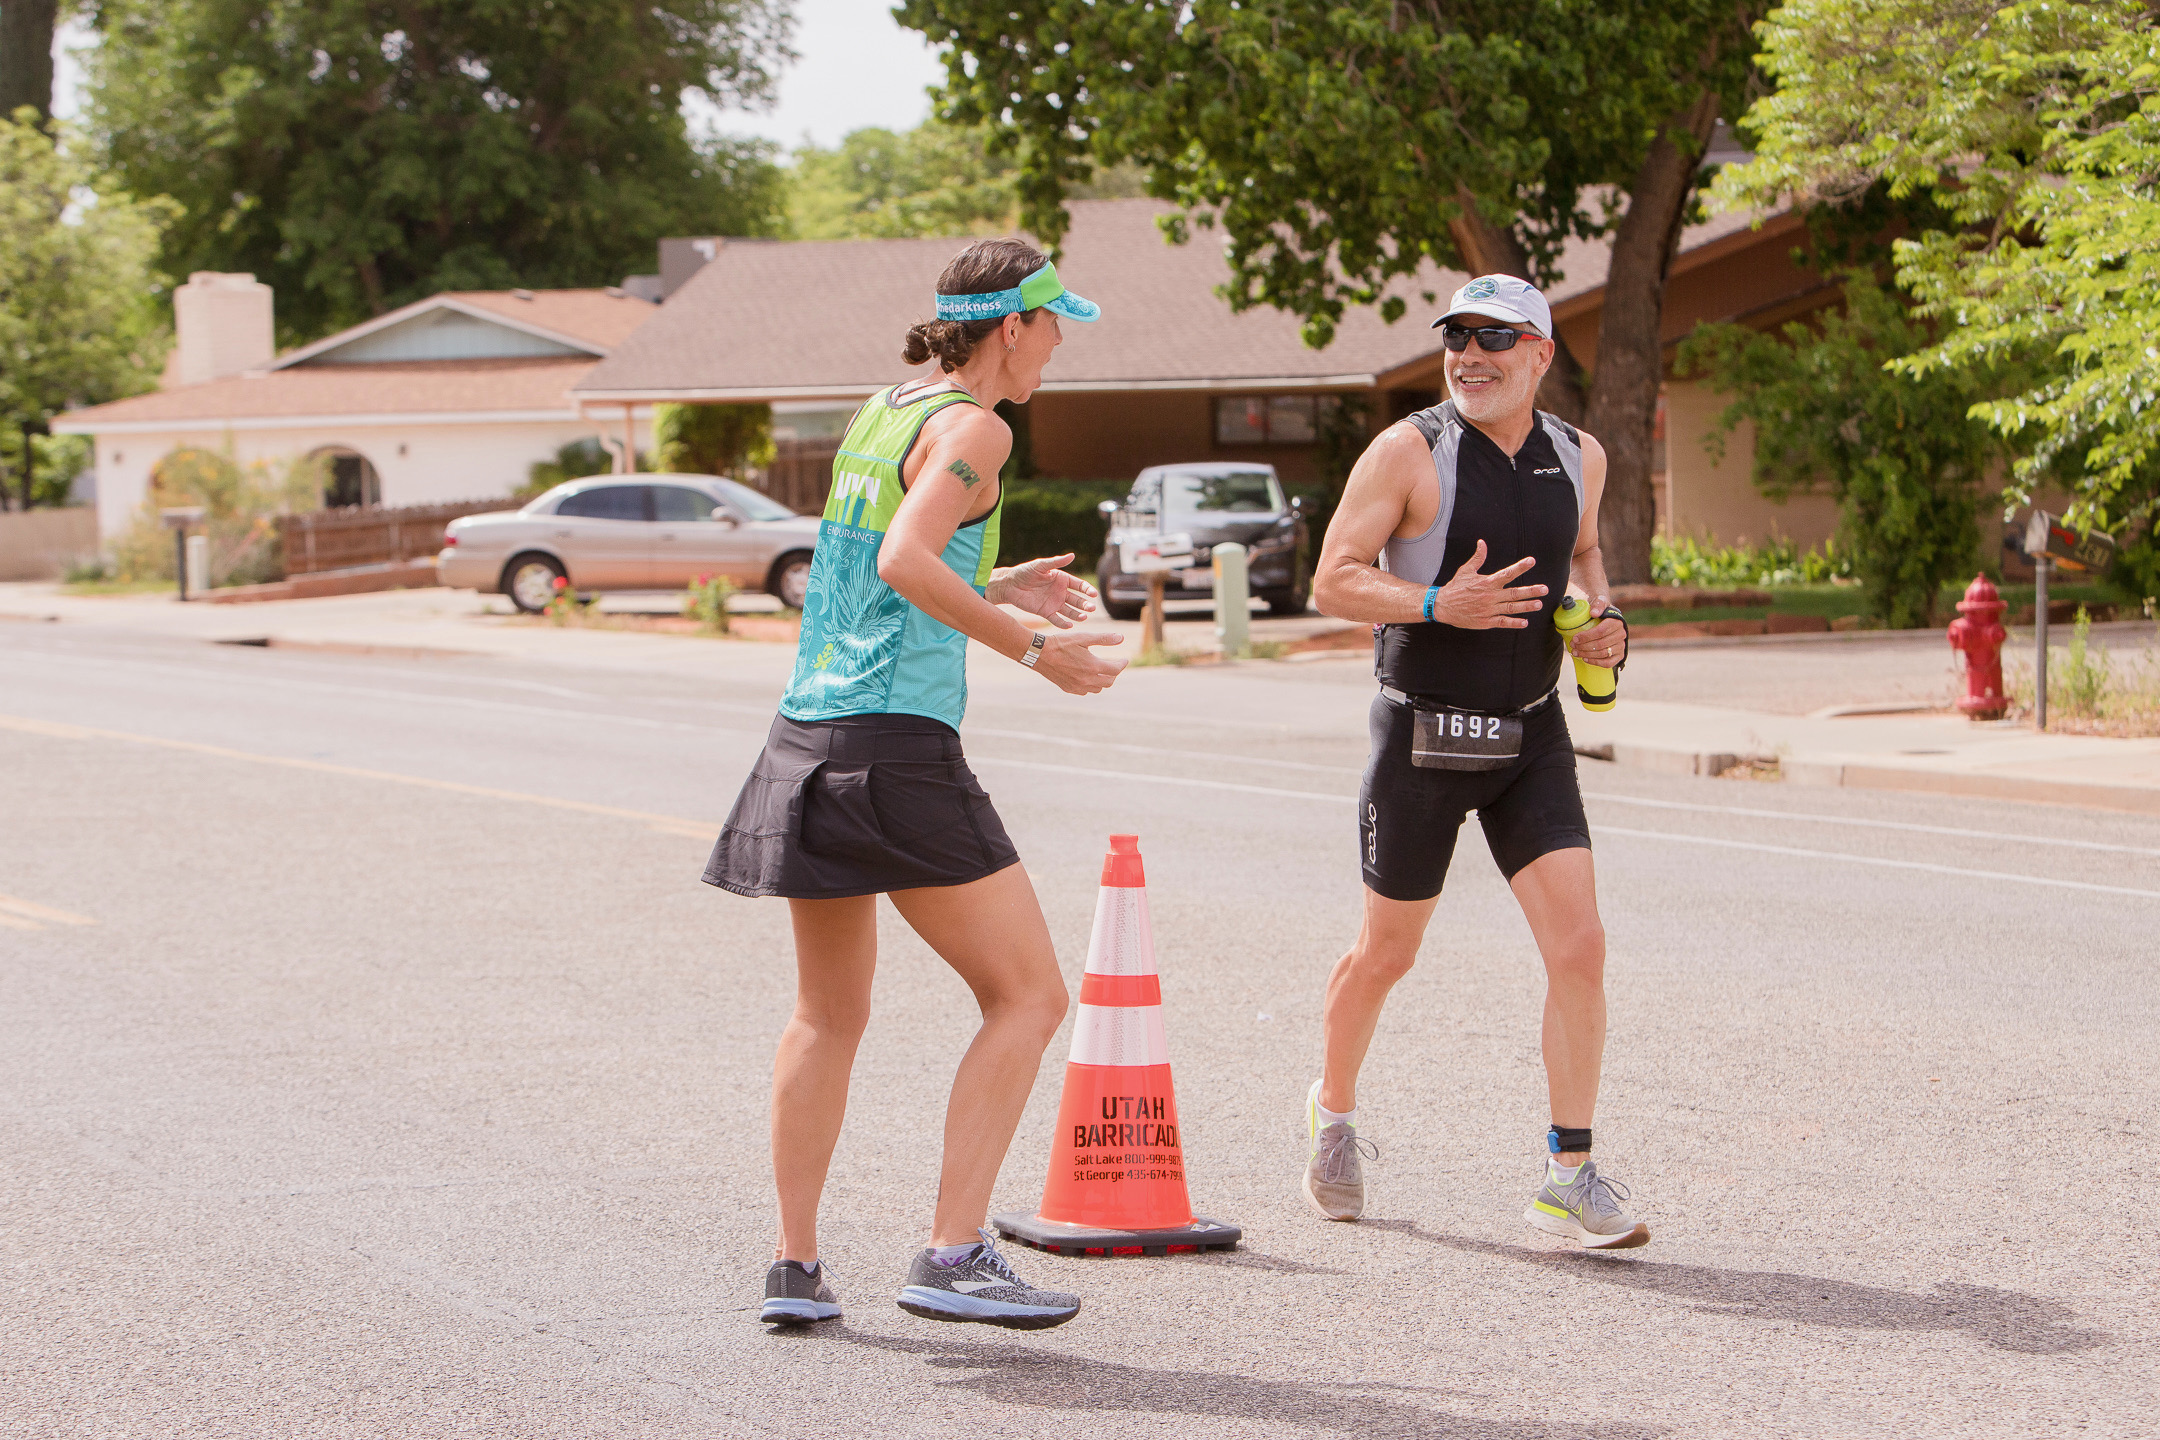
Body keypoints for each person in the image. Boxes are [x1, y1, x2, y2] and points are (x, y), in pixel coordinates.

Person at [704, 238, 1129, 1328]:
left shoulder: (886, 408)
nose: (1059, 343)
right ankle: (952, 1252)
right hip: (894, 748)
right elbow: (901, 560)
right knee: (1029, 995)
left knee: (828, 1012)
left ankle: (793, 1270)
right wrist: (1033, 647)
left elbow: (878, 548)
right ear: (1009, 327)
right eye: (1051, 324)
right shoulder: (980, 428)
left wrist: (1000, 574)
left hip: (808, 736)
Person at [1300, 274, 1647, 1249]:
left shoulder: (1581, 456)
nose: (1471, 355)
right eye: (1459, 336)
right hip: (1421, 734)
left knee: (1580, 947)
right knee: (1387, 955)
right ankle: (1332, 1116)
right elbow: (1332, 577)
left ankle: (1570, 1172)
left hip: (1530, 734)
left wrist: (1600, 621)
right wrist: (1433, 606)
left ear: (1541, 354)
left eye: (1498, 337)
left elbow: (1582, 557)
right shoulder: (1408, 450)